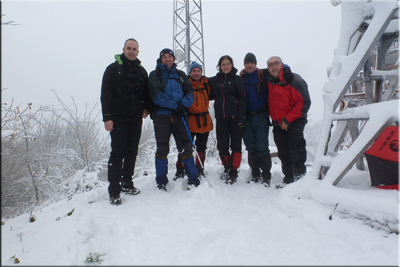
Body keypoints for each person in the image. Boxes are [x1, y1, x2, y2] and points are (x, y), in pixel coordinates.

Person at [100, 38, 152, 205]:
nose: (131, 51)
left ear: (138, 51)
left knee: (132, 151)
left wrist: (146, 108)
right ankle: (114, 191)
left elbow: (146, 93)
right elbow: (105, 94)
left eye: (134, 49)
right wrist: (107, 117)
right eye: (129, 48)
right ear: (123, 49)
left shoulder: (142, 71)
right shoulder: (113, 69)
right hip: (117, 119)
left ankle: (127, 183)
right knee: (117, 153)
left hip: (136, 118)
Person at [148, 48, 200, 191]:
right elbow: (156, 94)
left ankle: (193, 179)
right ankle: (161, 181)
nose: (167, 59)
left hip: (180, 116)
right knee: (162, 148)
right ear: (161, 59)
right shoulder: (155, 75)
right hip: (162, 116)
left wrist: (182, 106)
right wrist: (175, 105)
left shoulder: (181, 75)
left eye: (169, 57)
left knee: (186, 147)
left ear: (173, 59)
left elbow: (190, 93)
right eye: (164, 57)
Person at [266, 56, 311, 188]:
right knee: (283, 152)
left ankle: (300, 180)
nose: (274, 67)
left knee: (296, 148)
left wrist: (288, 120)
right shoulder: (270, 81)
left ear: (282, 64)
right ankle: (289, 180)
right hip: (278, 123)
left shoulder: (294, 80)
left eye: (276, 63)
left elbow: (304, 102)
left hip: (295, 120)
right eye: (270, 65)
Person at [208, 55, 246, 184]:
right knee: (222, 146)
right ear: (219, 66)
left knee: (236, 145)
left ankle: (234, 171)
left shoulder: (237, 80)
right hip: (221, 118)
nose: (225, 66)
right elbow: (202, 80)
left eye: (227, 64)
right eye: (223, 64)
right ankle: (227, 167)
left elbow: (242, 99)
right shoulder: (215, 80)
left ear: (232, 64)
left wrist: (241, 117)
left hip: (235, 118)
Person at [241, 52, 272, 187]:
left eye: (251, 63)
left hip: (260, 116)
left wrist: (287, 69)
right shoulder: (241, 77)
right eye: (247, 63)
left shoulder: (263, 74)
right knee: (251, 147)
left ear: (255, 63)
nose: (249, 65)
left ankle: (266, 175)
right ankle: (255, 173)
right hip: (247, 117)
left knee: (262, 146)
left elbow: (279, 69)